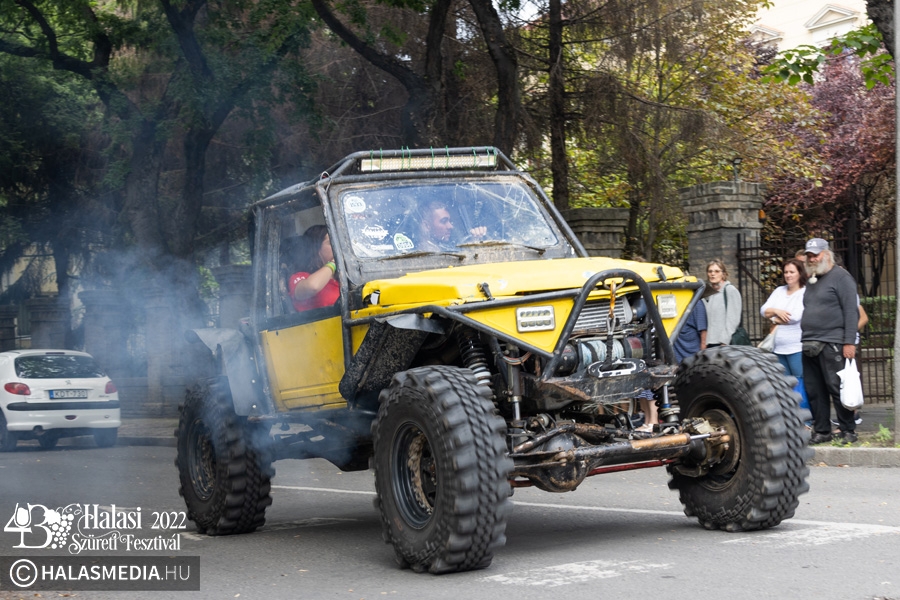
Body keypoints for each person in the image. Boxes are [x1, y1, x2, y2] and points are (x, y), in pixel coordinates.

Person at [800, 238, 860, 445]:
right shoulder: (812, 279)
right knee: (814, 390)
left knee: (837, 388)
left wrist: (849, 342)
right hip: (809, 343)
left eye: (815, 255)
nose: (812, 259)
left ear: (826, 254)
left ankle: (848, 430)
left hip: (833, 342)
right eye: (809, 256)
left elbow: (851, 312)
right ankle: (822, 430)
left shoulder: (842, 278)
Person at [760, 258, 808, 410]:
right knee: (784, 384)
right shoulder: (779, 291)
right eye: (786, 272)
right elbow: (763, 310)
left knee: (799, 383)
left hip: (796, 347)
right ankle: (791, 417)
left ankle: (805, 418)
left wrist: (773, 318)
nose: (788, 275)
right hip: (778, 348)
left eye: (792, 272)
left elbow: (794, 317)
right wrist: (777, 311)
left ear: (800, 273)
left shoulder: (804, 292)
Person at [288, 225, 340, 311]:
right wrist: (334, 263)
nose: (338, 248)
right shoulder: (300, 277)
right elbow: (312, 287)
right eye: (332, 243)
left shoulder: (343, 278)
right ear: (316, 248)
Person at [418, 200, 486, 251]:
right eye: (444, 221)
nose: (450, 226)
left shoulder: (446, 246)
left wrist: (475, 240)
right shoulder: (424, 256)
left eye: (450, 221)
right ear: (427, 226)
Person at [702, 260, 742, 347]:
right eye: (710, 271)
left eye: (717, 271)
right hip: (710, 342)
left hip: (724, 343)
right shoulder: (709, 293)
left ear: (723, 274)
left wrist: (724, 341)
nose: (713, 274)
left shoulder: (730, 290)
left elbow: (733, 319)